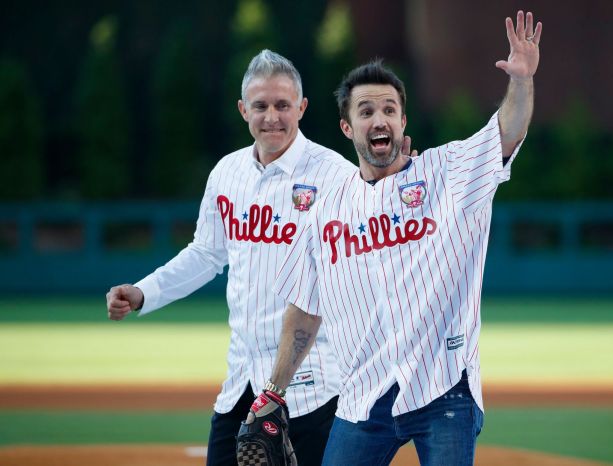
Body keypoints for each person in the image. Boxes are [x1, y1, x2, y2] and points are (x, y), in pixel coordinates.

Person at [259, 10, 542, 466]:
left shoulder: (447, 174)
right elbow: (305, 309)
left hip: (443, 390)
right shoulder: (326, 210)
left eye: (389, 109)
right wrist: (274, 392)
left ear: (402, 121)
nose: (379, 119)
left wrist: (523, 80)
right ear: (347, 128)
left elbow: (507, 131)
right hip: (362, 399)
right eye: (366, 111)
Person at [105, 50, 362, 466]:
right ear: (243, 110)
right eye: (260, 106)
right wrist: (142, 292)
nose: (272, 116)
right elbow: (206, 254)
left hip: (311, 389)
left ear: (302, 107)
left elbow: (368, 254)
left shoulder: (335, 175)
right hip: (241, 382)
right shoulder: (227, 173)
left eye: (282, 105)